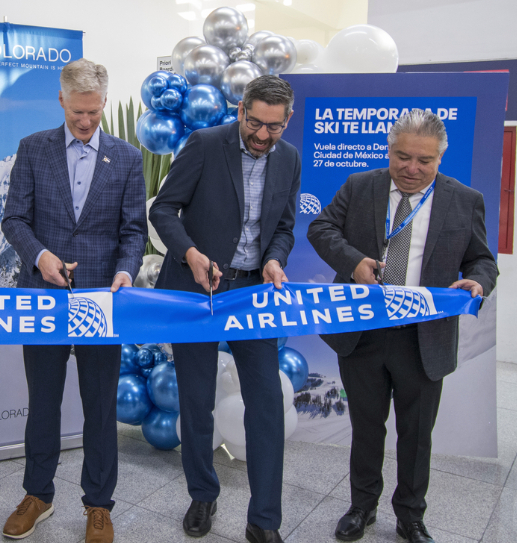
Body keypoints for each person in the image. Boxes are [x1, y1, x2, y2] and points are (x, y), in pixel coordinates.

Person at [307, 109, 497, 543]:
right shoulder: (361, 186)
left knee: (416, 435)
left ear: (440, 159)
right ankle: (362, 507)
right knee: (366, 427)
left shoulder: (465, 200)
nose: (411, 169)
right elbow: (321, 229)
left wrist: (480, 280)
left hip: (424, 337)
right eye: (402, 156)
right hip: (364, 333)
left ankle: (411, 515)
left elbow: (482, 259)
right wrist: (353, 261)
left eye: (424, 161)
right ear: (389, 150)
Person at [0, 58, 147, 543]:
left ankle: (99, 505)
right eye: (77, 112)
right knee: (42, 403)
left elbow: (132, 229)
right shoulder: (33, 149)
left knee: (100, 407)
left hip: (101, 302)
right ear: (61, 100)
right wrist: (40, 257)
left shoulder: (126, 157)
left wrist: (126, 270)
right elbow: (14, 219)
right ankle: (37, 495)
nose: (85, 122)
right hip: (42, 299)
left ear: (104, 102)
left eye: (94, 112)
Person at [150, 75, 300, 543]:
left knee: (267, 406)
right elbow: (163, 210)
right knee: (196, 401)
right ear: (240, 111)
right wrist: (190, 254)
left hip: (252, 295)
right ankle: (202, 493)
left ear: (287, 121)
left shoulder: (290, 158)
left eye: (273, 128)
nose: (261, 135)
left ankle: (264, 520)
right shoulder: (204, 144)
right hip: (197, 293)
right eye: (254, 123)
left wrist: (275, 258)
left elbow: (285, 225)